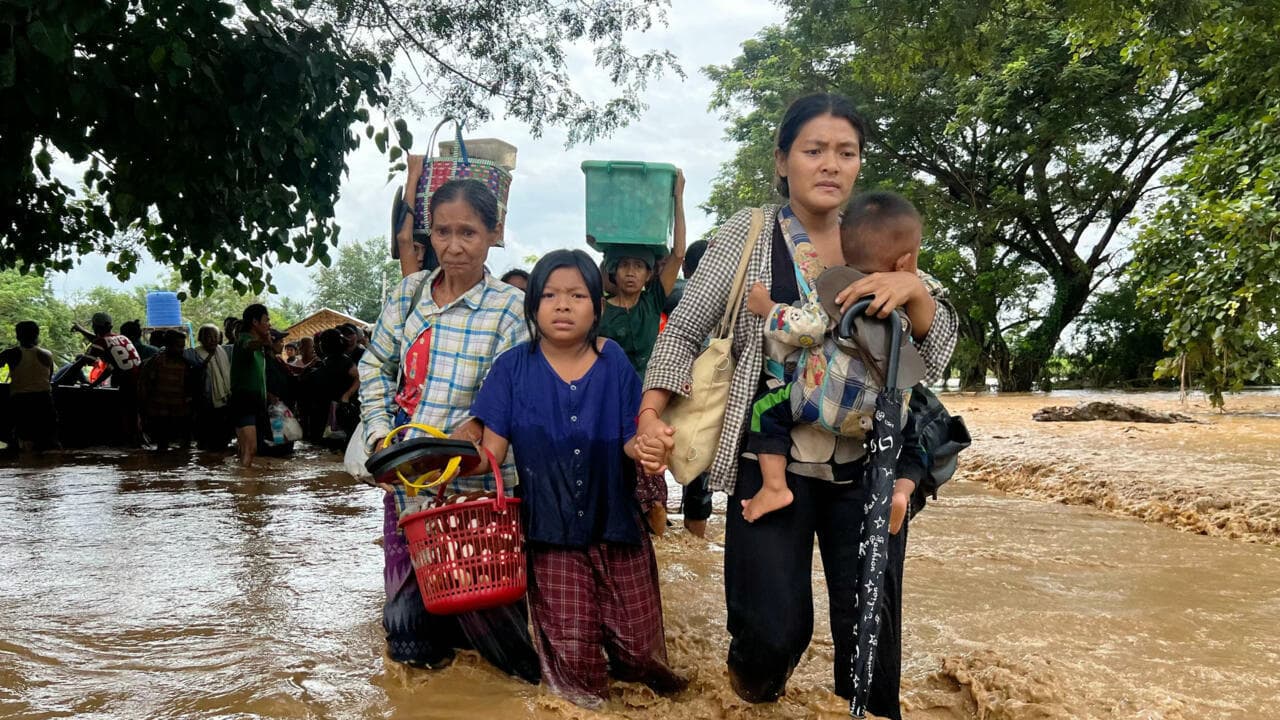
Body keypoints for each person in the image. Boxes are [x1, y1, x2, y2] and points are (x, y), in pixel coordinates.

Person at [634, 93, 957, 714]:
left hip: (870, 464)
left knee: (869, 633)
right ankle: (757, 688)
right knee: (771, 633)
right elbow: (684, 329)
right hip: (769, 453)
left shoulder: (879, 232)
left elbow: (934, 352)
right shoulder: (749, 233)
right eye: (814, 151)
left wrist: (912, 288)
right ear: (783, 161)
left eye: (846, 152)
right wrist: (650, 415)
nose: (830, 164)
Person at [471, 249, 686, 708]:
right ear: (532, 306)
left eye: (576, 295)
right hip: (551, 536)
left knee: (641, 661)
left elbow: (631, 439)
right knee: (575, 677)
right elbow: (491, 454)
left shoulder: (615, 365)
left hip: (619, 528)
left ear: (598, 307)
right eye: (549, 294)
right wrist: (441, 462)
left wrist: (648, 447)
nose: (562, 305)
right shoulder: (511, 368)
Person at [360, 178, 537, 678]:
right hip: (408, 487)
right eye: (442, 231)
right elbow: (374, 366)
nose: (454, 246)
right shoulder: (408, 296)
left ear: (493, 234)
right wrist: (379, 437)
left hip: (476, 494)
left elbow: (507, 394)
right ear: (428, 234)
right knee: (409, 638)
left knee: (501, 639)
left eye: (468, 232)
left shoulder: (508, 309)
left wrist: (477, 427)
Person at [741, 190, 929, 523]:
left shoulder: (837, 292)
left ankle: (773, 486)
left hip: (821, 403)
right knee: (912, 436)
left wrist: (768, 308)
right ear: (904, 263)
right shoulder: (901, 303)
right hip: (882, 416)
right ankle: (900, 492)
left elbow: (807, 329)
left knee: (764, 412)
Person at [598, 168, 687, 534]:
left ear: (650, 273)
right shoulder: (599, 307)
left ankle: (661, 542)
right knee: (613, 472)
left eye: (640, 266)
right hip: (610, 400)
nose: (632, 273)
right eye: (625, 266)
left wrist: (678, 197)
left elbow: (679, 252)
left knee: (652, 477)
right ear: (613, 272)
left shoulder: (653, 300)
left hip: (650, 398)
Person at [664, 238, 713, 537]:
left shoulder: (673, 293)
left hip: (664, 393)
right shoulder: (728, 298)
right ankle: (696, 539)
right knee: (698, 471)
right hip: (705, 398)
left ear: (684, 266)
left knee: (656, 463)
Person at [73, 312, 143, 444]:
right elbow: (111, 367)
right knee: (134, 416)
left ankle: (132, 449)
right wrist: (94, 385)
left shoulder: (101, 342)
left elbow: (83, 362)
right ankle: (136, 449)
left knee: (127, 417)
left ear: (95, 327)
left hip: (127, 384)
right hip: (141, 382)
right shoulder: (122, 338)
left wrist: (60, 381)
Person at [0, 321, 58, 452]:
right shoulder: (47, 354)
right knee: (49, 443)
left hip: (21, 402)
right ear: (37, 335)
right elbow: (49, 378)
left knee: (24, 443)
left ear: (17, 336)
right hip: (45, 400)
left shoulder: (11, 353)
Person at [139, 330, 195, 451]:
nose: (181, 350)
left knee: (184, 446)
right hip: (160, 411)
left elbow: (190, 386)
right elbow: (146, 385)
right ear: (168, 345)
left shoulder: (186, 363)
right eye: (178, 346)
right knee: (163, 445)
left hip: (180, 411)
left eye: (183, 347)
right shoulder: (156, 362)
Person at [230, 304, 271, 467]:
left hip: (254, 401)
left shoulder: (256, 344)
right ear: (255, 322)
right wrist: (263, 341)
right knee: (250, 449)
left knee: (246, 449)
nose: (269, 324)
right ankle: (247, 489)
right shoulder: (244, 340)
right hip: (244, 400)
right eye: (266, 320)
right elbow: (249, 346)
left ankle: (243, 484)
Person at [300, 329, 360, 443]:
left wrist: (346, 396)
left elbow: (359, 378)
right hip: (323, 410)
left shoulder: (346, 362)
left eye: (321, 342)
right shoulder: (323, 362)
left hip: (341, 409)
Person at [185, 324, 233, 451]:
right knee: (205, 439)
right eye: (208, 337)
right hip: (204, 402)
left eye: (215, 337)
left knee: (221, 439)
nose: (212, 340)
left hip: (223, 401)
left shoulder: (224, 351)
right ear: (201, 339)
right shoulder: (194, 354)